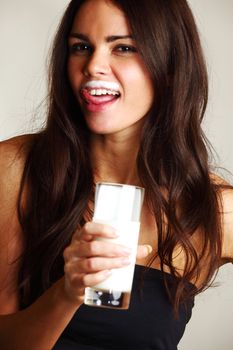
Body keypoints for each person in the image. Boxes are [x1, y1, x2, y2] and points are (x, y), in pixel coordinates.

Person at [0, 0, 232, 349]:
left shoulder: (214, 209)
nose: (93, 65)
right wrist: (67, 293)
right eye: (81, 47)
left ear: (168, 65)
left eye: (123, 47)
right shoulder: (16, 167)